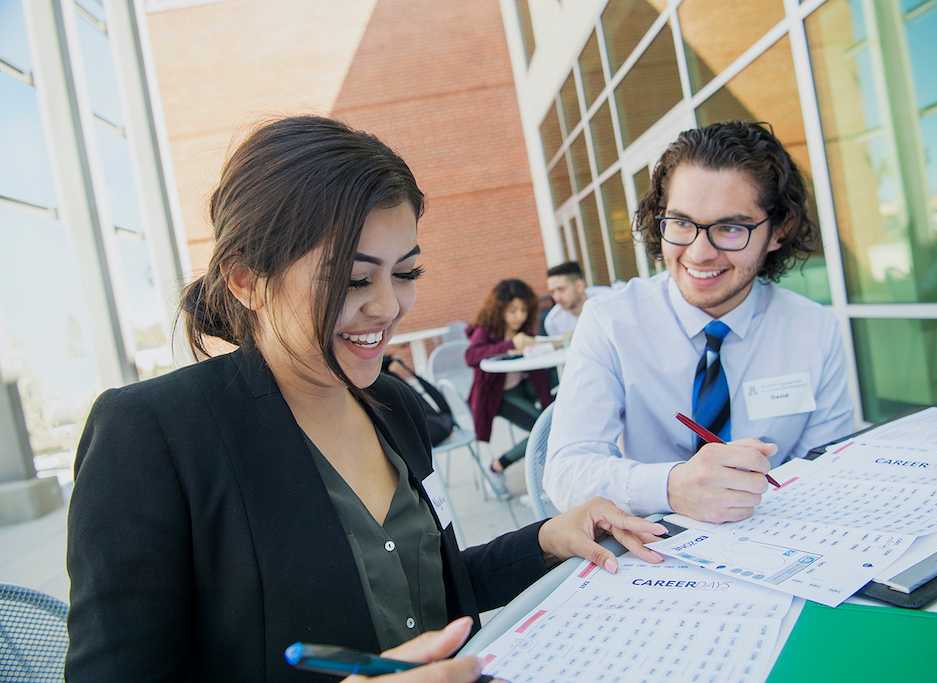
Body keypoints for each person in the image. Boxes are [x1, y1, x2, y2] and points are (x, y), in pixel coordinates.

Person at [65, 116, 666, 682]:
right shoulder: (151, 436)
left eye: (404, 273)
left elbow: (434, 584)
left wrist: (547, 537)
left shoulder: (391, 404)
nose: (387, 307)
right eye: (354, 279)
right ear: (247, 279)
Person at [545, 120, 855, 522]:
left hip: (781, 534)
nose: (699, 252)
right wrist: (673, 487)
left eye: (729, 228)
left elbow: (831, 469)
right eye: (681, 223)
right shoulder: (611, 321)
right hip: (653, 545)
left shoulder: (814, 329)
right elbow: (566, 473)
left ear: (779, 231)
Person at [464, 279, 552, 493]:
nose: (519, 316)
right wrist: (511, 344)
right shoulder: (487, 330)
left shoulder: (524, 330)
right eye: (512, 310)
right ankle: (499, 465)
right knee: (546, 431)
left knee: (555, 413)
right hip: (499, 396)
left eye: (523, 310)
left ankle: (547, 464)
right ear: (499, 308)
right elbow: (471, 356)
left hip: (524, 387)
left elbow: (537, 370)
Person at [542, 261, 610, 337]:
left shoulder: (607, 300)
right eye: (552, 292)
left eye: (561, 289)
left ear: (579, 286)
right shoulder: (553, 321)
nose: (556, 297)